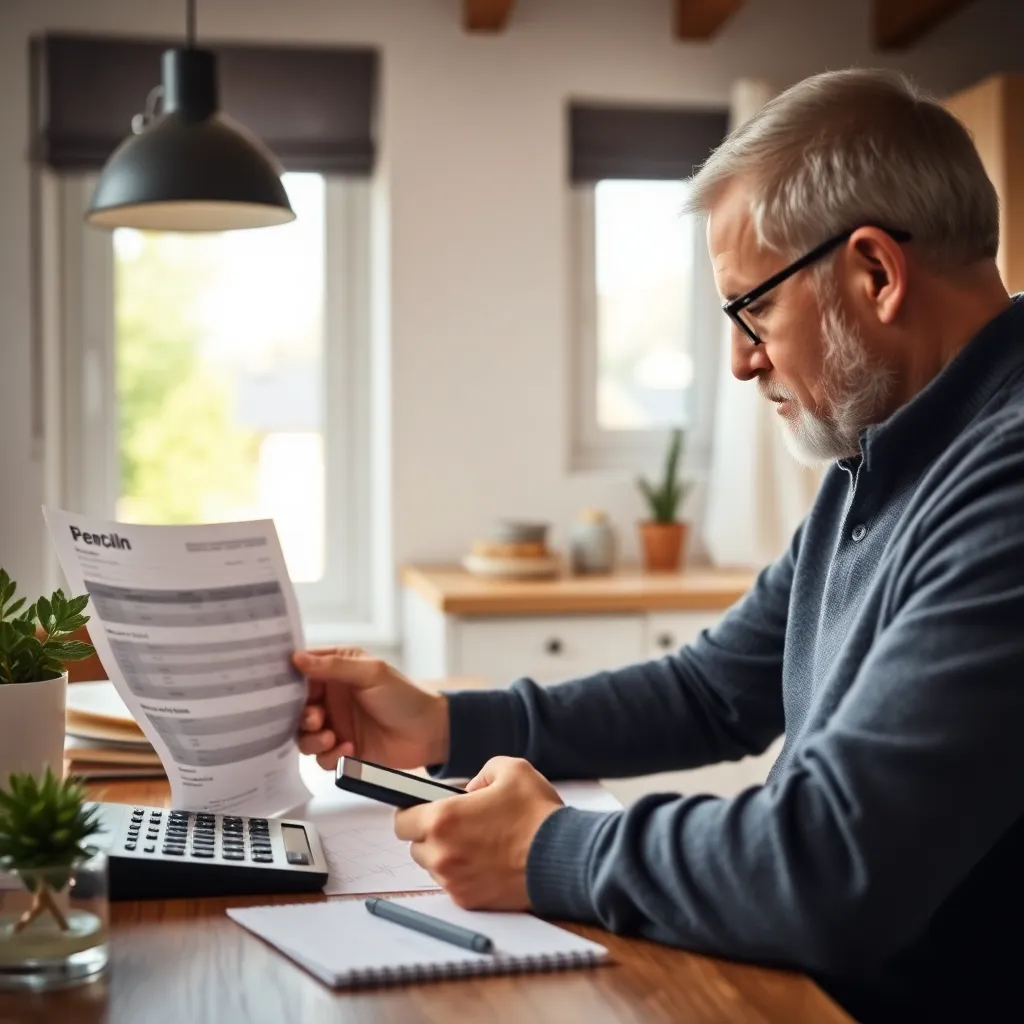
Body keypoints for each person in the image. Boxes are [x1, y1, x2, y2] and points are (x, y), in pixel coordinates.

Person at [294, 68, 1024, 1023]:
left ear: (876, 274)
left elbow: (835, 863)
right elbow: (712, 692)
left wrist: (546, 850)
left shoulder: (1005, 482)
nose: (742, 360)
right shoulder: (885, 460)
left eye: (753, 308)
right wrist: (444, 726)